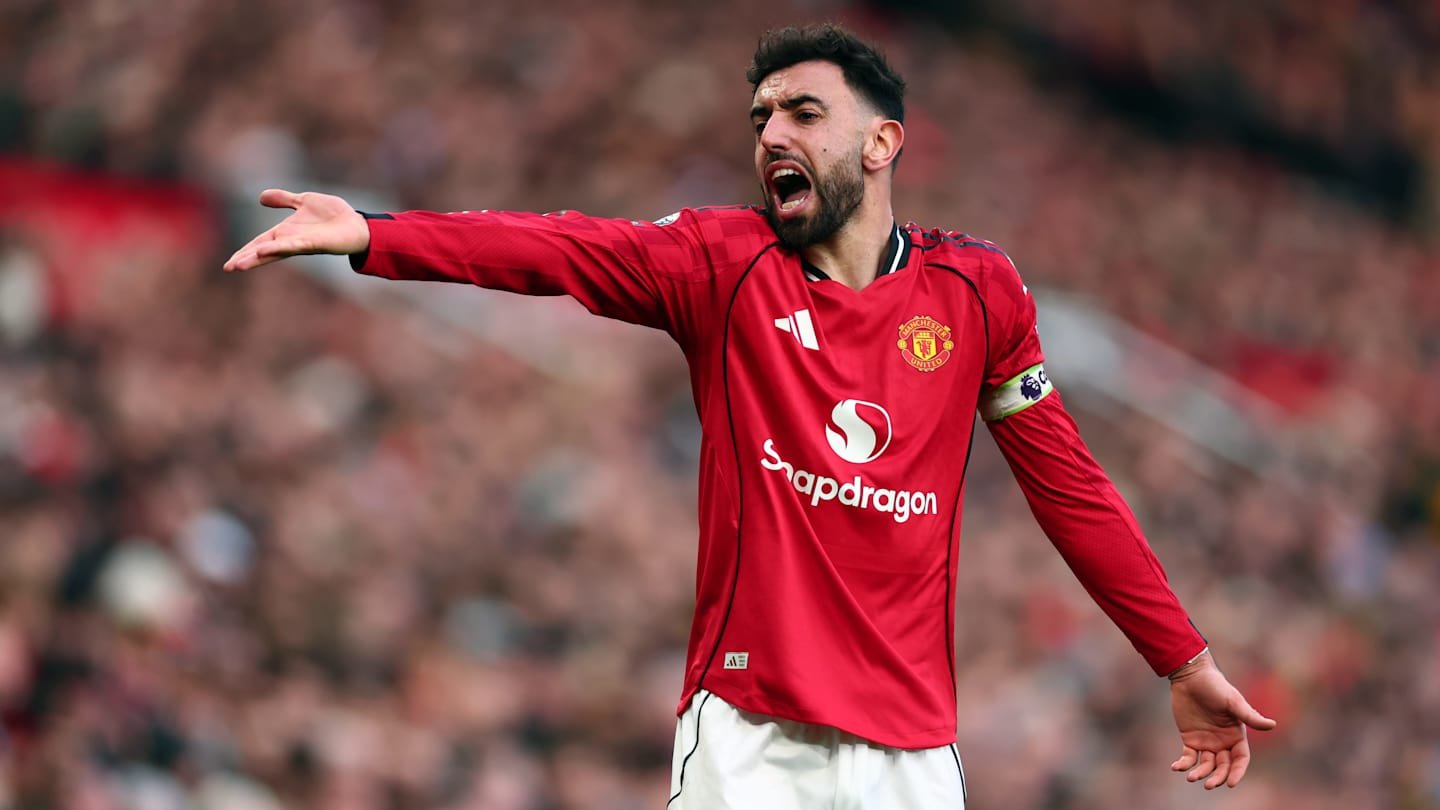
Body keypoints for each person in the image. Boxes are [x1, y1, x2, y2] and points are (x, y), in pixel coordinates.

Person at [225, 23, 1277, 809]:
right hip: (749, 738)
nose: (771, 132)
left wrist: (1180, 661)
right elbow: (553, 249)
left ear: (882, 143)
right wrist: (373, 233)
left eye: (803, 113)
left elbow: (1069, 485)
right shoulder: (720, 265)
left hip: (909, 753)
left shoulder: (977, 294)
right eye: (761, 118)